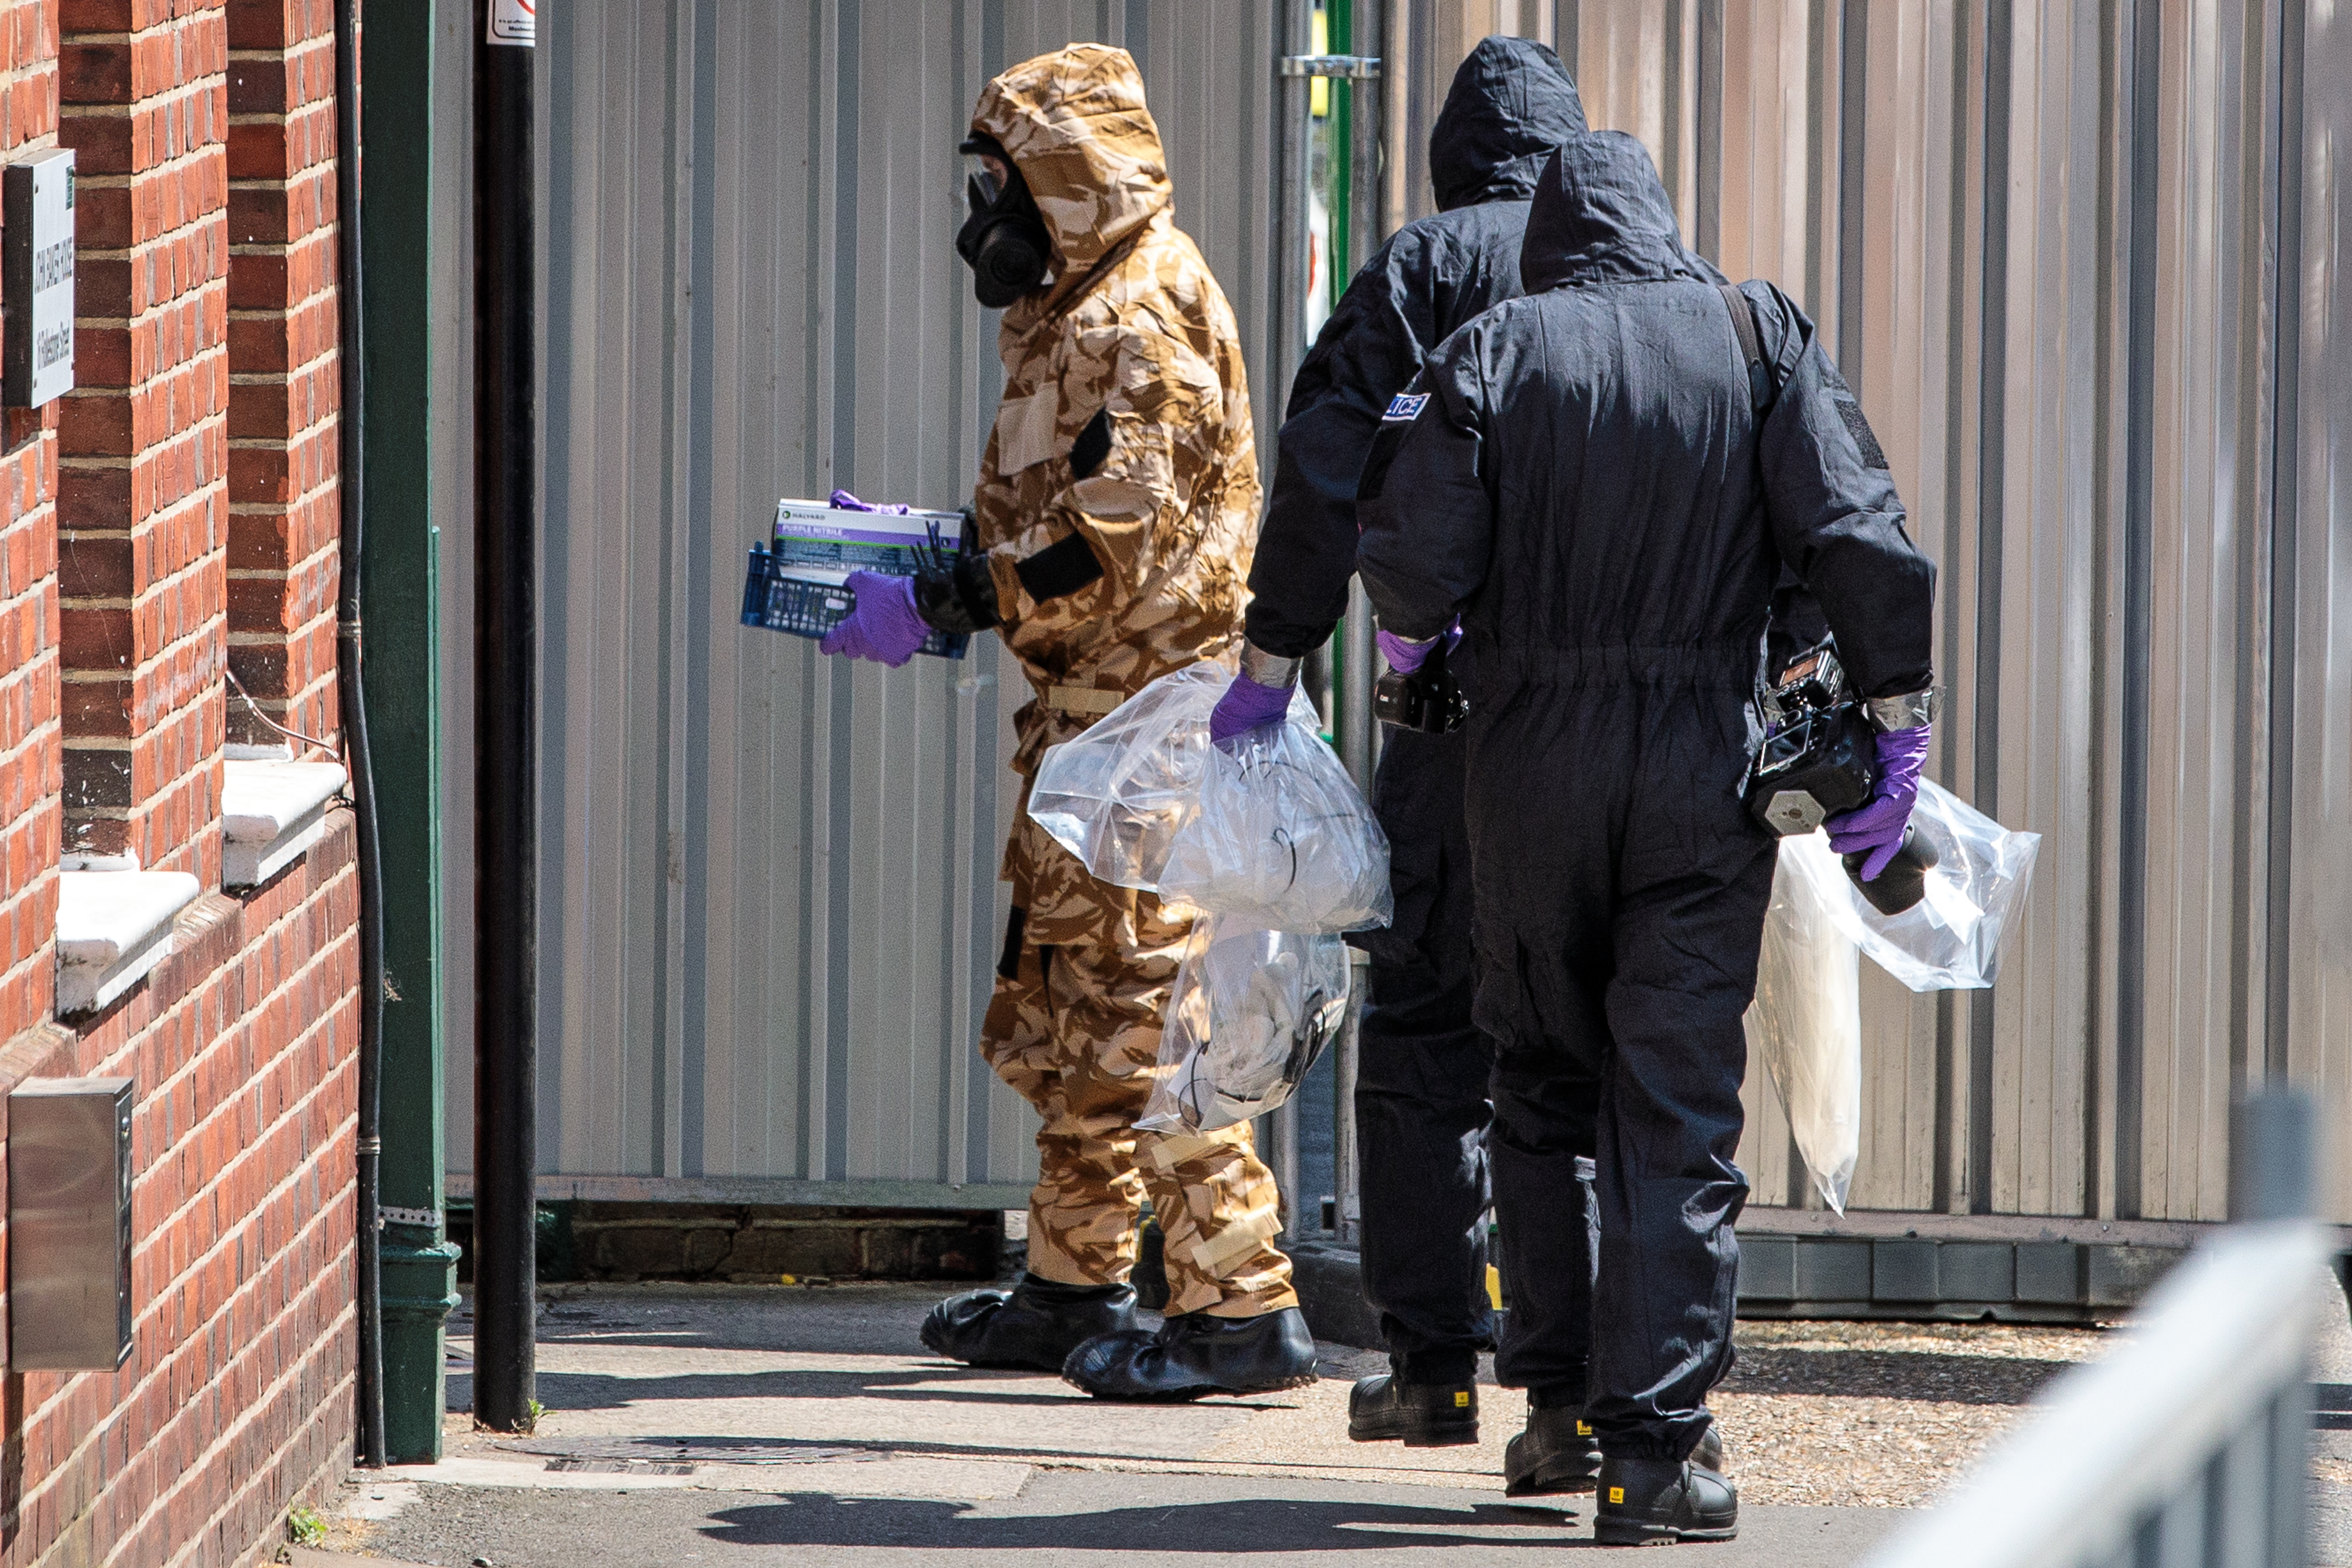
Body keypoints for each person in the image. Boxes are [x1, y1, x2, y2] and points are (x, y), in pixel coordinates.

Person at [1353, 133, 1937, 1545]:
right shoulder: (1753, 332)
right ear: (1661, 224)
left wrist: (1434, 645)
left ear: (1546, 236)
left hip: (1526, 767)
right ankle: (1655, 1452)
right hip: (1698, 762)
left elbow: (1409, 562)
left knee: (1541, 1087)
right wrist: (1895, 719)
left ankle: (1555, 1412)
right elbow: (1857, 531)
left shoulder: (1492, 349)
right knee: (1675, 1107)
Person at [1210, 37, 1721, 1496]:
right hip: (1646, 732)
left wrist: (1277, 656)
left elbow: (1324, 468)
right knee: (1603, 1069)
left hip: (1450, 718)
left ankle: (1430, 1362)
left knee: (1431, 1026)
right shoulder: (1663, 284)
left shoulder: (1421, 270)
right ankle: (1600, 1399)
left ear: (1451, 159)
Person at [818, 42, 1319, 1402]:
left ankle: (1238, 1308)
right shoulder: (1081, 302)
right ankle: (1072, 1282)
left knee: (1145, 1013)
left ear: (1067, 183)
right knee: (1074, 1005)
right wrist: (944, 550)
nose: (984, 216)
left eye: (1005, 184)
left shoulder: (1131, 321)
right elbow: (1065, 511)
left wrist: (951, 600)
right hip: (1098, 723)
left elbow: (1111, 547)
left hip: (1145, 728)